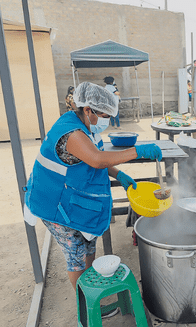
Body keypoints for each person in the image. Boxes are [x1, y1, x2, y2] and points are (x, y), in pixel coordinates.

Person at [23, 82, 162, 291]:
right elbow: (97, 159)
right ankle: (85, 300)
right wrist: (138, 151)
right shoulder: (71, 133)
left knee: (89, 245)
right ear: (88, 110)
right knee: (76, 253)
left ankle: (92, 285)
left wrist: (119, 174)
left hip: (68, 197)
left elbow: (93, 159)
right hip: (53, 202)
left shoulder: (85, 126)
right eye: (105, 116)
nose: (107, 121)